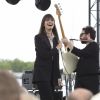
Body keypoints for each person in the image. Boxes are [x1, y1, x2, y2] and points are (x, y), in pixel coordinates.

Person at [32, 14, 62, 100]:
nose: (50, 21)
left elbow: (56, 60)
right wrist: (56, 48)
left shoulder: (56, 39)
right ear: (43, 24)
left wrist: (58, 77)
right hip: (42, 74)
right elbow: (43, 55)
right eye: (47, 20)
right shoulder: (38, 38)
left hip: (52, 76)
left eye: (52, 20)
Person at [62, 26, 99, 94]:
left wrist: (69, 44)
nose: (80, 37)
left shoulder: (94, 45)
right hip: (82, 81)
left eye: (82, 34)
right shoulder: (87, 48)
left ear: (88, 35)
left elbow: (80, 53)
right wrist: (68, 47)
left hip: (89, 82)